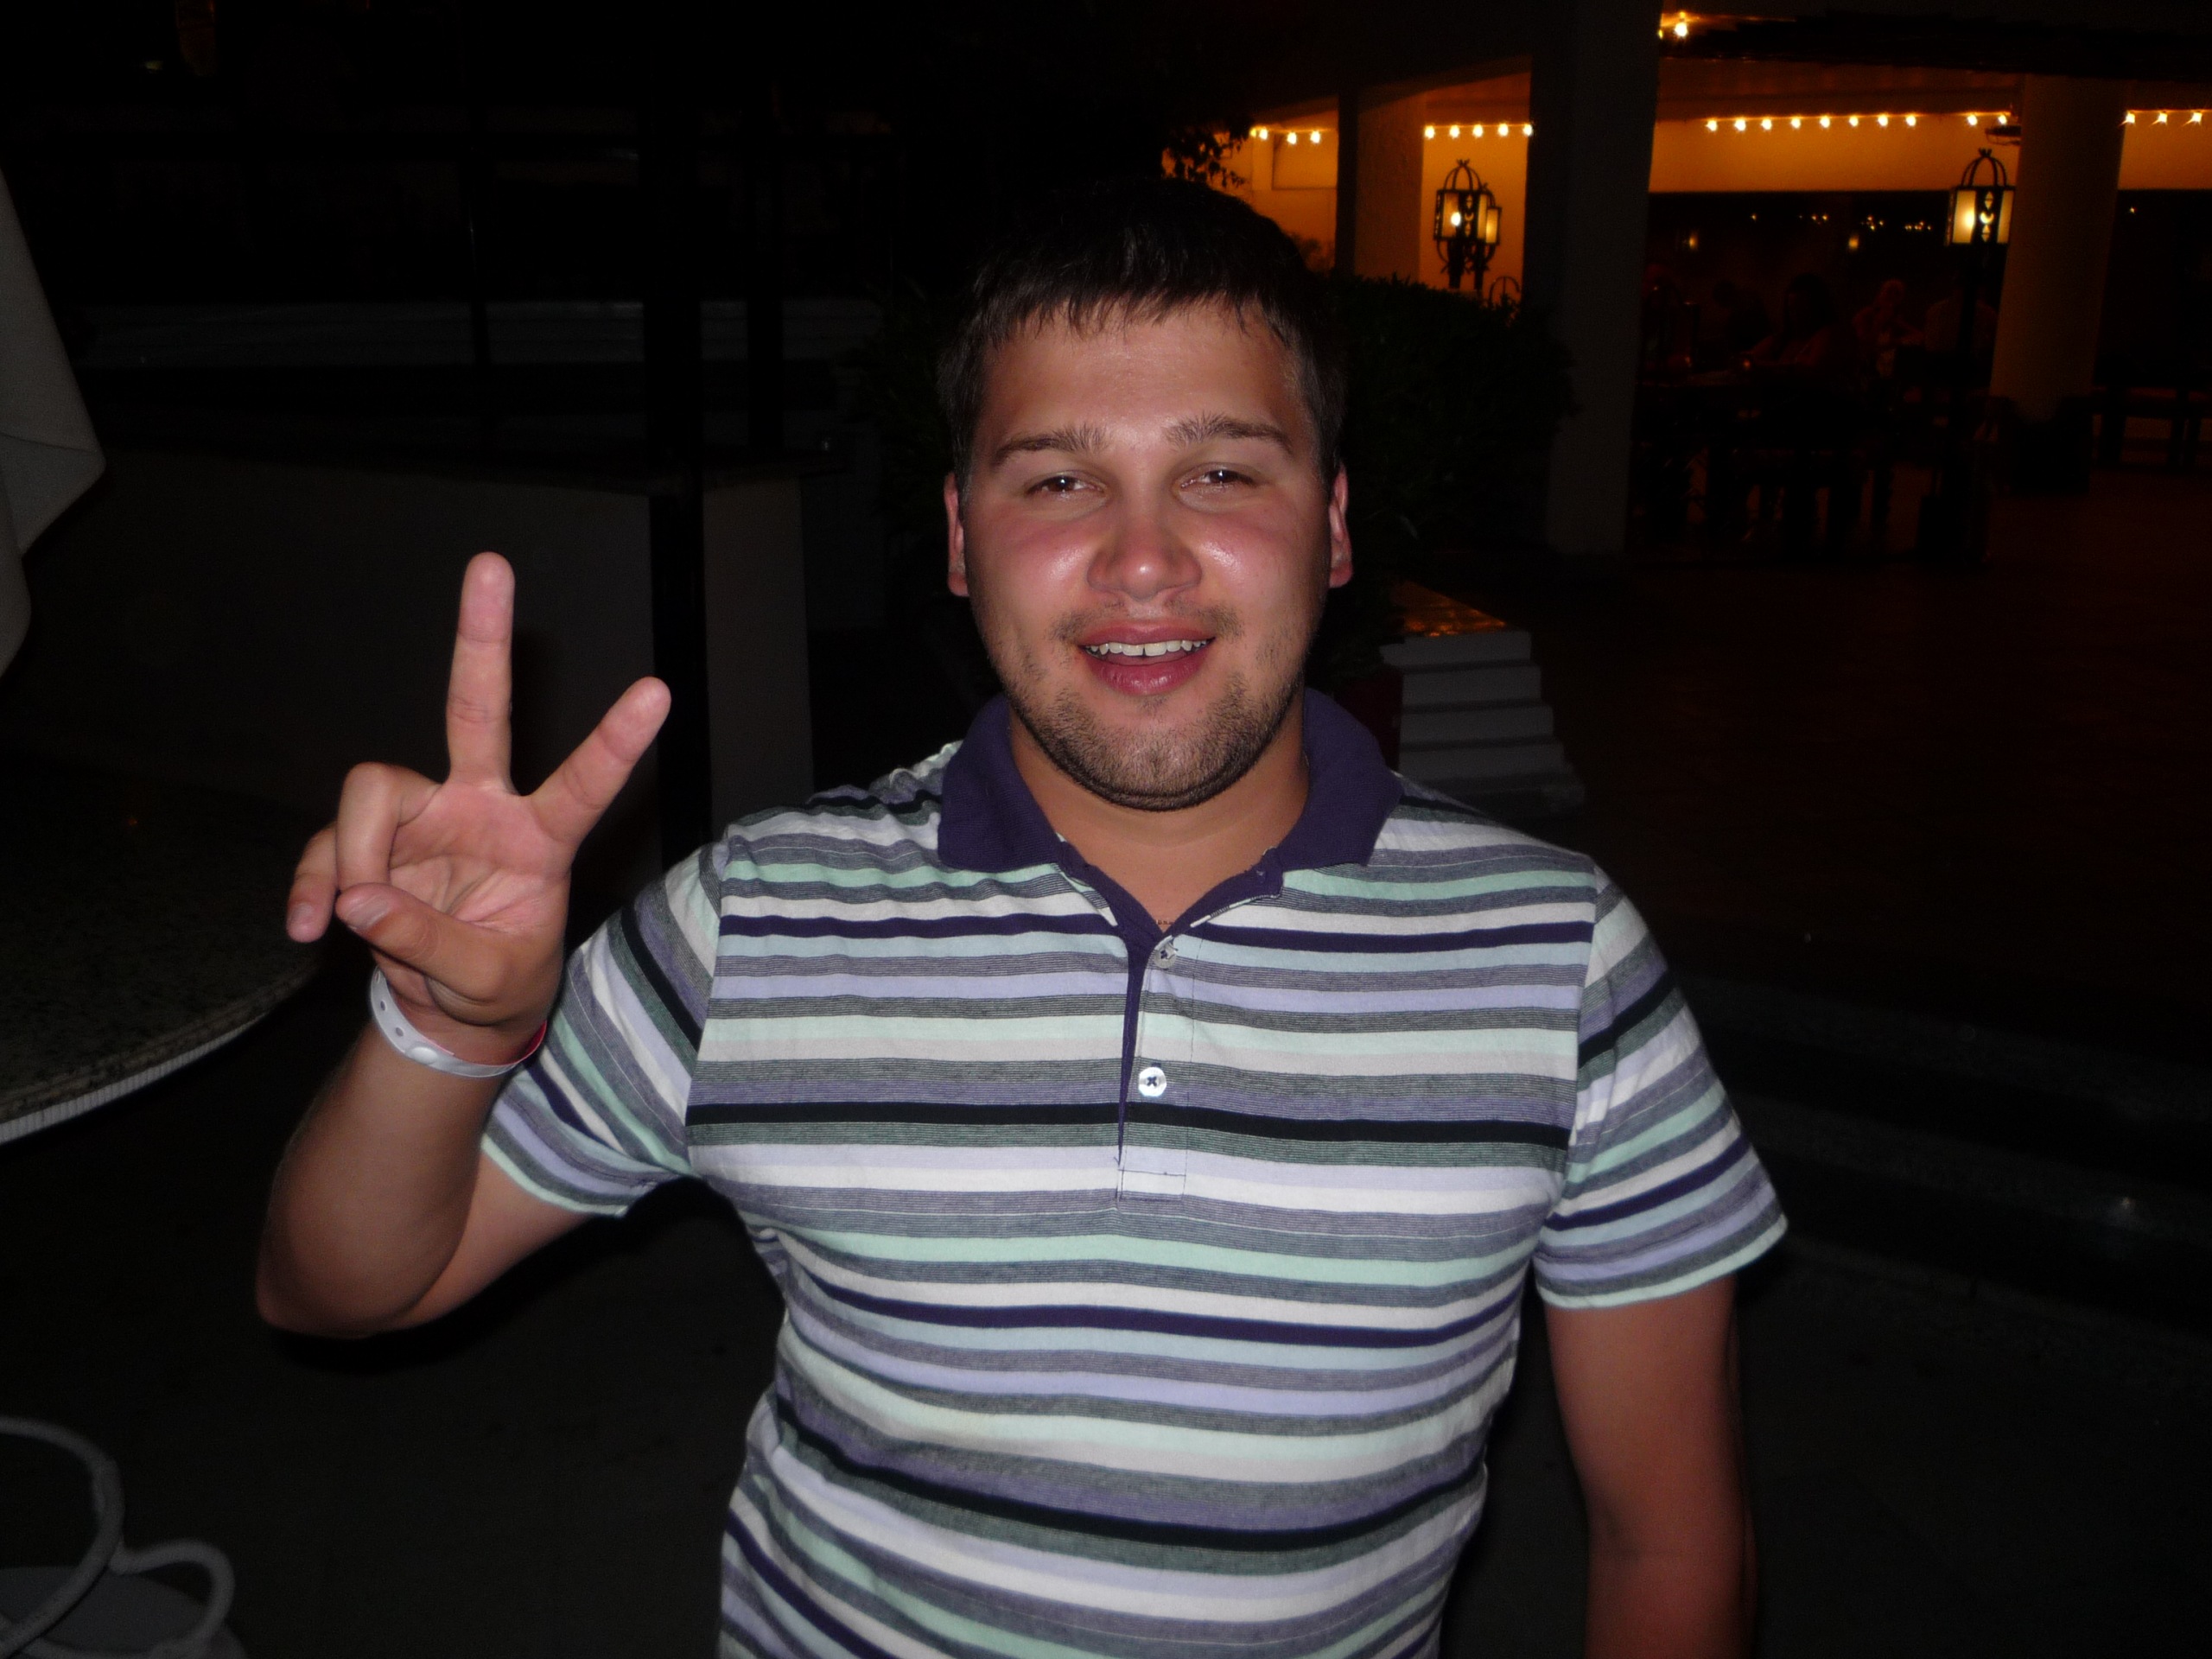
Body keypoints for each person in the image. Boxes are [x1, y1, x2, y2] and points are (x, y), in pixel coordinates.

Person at [260, 179, 1783, 1659]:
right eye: (1057, 480)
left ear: (1331, 524)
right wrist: (446, 1029)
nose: (1142, 557)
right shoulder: (759, 917)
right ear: (957, 535)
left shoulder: (1560, 957)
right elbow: (341, 1291)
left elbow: (1669, 1543)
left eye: (1222, 472)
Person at [1750, 273, 1854, 386]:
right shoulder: (1782, 341)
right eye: (1792, 309)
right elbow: (1751, 358)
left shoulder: (1829, 334)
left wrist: (1763, 366)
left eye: (1802, 309)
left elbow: (1811, 371)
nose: (1797, 315)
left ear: (1818, 308)